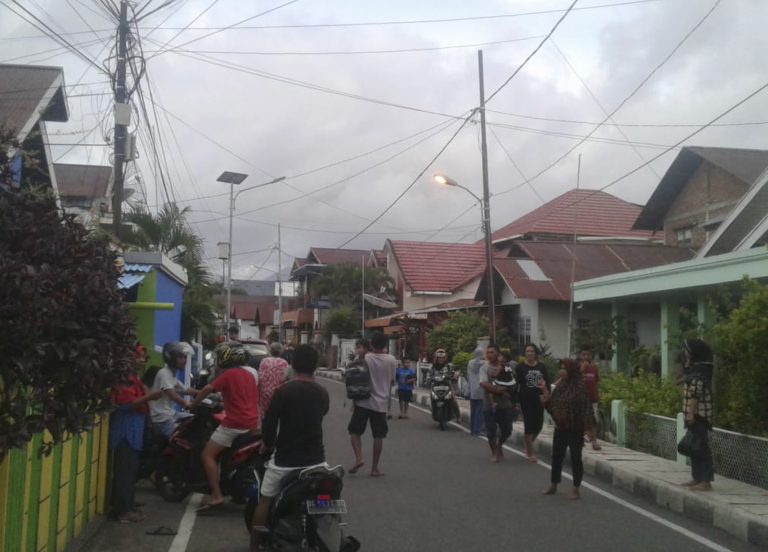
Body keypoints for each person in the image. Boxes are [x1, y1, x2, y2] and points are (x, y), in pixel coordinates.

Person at [250, 345, 329, 551]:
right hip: (317, 461)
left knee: (265, 498)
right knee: (326, 496)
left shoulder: (283, 392)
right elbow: (322, 413)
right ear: (315, 366)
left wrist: (267, 444)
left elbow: (268, 425)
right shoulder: (322, 392)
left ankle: (254, 545)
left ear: (292, 365)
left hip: (286, 461)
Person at [190, 344, 260, 510]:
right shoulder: (248, 375)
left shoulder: (228, 374)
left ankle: (216, 495)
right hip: (252, 423)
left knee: (207, 455)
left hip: (235, 424)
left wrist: (193, 404)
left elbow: (208, 388)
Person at [109, 347, 162, 523]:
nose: (142, 361)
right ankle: (123, 510)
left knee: (130, 471)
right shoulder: (125, 381)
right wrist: (150, 397)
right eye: (139, 358)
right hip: (126, 430)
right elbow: (125, 404)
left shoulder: (133, 379)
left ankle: (128, 504)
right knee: (125, 471)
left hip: (134, 429)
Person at [541, 358, 593, 499]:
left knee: (576, 458)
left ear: (571, 370)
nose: (561, 371)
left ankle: (576, 488)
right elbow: (553, 405)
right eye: (561, 368)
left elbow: (586, 408)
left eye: (564, 368)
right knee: (557, 456)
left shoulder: (580, 387)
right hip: (561, 427)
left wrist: (589, 429)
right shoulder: (560, 386)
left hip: (575, 428)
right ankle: (554, 484)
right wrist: (546, 402)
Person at [348, 331, 396, 477]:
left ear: (371, 344)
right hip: (380, 404)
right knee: (378, 436)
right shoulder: (391, 360)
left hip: (363, 401)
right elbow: (392, 381)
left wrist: (354, 401)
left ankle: (359, 458)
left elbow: (356, 375)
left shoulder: (366, 358)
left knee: (355, 432)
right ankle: (374, 468)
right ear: (385, 345)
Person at [680, 338, 715, 491]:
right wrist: (687, 362)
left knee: (701, 447)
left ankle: (705, 480)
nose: (685, 353)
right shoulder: (695, 367)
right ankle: (696, 477)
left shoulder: (702, 370)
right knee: (693, 446)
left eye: (688, 350)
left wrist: (690, 413)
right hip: (692, 414)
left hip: (699, 415)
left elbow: (696, 394)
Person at [149, 342, 198, 438]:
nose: (184, 360)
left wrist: (208, 392)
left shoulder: (172, 375)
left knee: (195, 421)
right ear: (171, 358)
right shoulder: (164, 373)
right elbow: (171, 393)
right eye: (180, 357)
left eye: (185, 357)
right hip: (161, 418)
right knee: (179, 439)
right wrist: (185, 403)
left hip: (171, 414)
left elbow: (187, 390)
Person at [479, 344, 516, 462]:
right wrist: (497, 390)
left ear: (498, 354)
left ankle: (500, 444)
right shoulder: (484, 368)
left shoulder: (507, 367)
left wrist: (506, 390)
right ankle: (494, 453)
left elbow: (513, 382)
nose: (490, 355)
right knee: (491, 430)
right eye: (488, 353)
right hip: (489, 404)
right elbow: (484, 384)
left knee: (507, 429)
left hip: (505, 404)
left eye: (492, 352)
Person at [514, 343, 551, 462]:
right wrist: (516, 401)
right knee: (529, 425)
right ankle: (530, 452)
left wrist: (546, 395)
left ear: (535, 353)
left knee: (538, 425)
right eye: (528, 351)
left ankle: (528, 444)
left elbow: (547, 383)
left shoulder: (541, 367)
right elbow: (516, 385)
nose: (530, 353)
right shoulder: (520, 367)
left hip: (538, 400)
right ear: (524, 353)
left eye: (532, 351)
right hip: (525, 400)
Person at [258, 342, 290, 420]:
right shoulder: (284, 362)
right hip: (278, 394)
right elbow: (286, 378)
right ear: (281, 351)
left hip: (265, 393)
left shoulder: (264, 361)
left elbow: (260, 376)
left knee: (266, 418)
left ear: (270, 351)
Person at [579, 348, 602, 451]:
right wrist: (582, 369)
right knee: (581, 420)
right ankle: (581, 440)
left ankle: (594, 442)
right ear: (580, 356)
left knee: (594, 420)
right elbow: (574, 379)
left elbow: (596, 381)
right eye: (584, 355)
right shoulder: (577, 367)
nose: (586, 357)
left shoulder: (594, 368)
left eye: (588, 355)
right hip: (581, 399)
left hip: (593, 398)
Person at [430, 348, 459, 420]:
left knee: (454, 400)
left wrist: (455, 375)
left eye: (442, 358)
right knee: (432, 397)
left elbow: (456, 371)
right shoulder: (433, 367)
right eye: (439, 358)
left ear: (445, 358)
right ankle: (434, 411)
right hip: (436, 387)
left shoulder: (449, 366)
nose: (441, 360)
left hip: (447, 386)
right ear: (436, 358)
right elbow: (428, 375)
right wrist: (428, 379)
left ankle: (458, 416)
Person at [466, 347, 485, 436]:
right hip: (481, 390)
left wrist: (468, 388)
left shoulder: (470, 363)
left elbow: (468, 376)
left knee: (473, 411)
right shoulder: (484, 364)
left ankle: (473, 430)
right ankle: (477, 430)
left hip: (472, 390)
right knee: (479, 411)